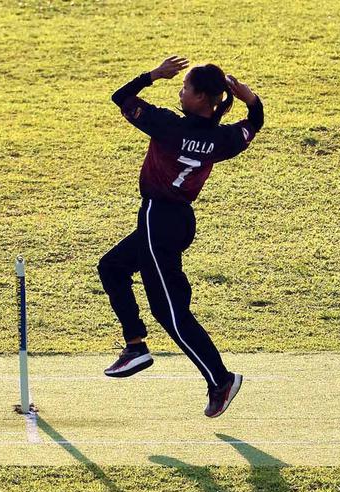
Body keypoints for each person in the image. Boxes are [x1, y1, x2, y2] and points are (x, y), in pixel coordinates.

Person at [98, 56, 264, 417]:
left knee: (170, 312)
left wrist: (152, 75)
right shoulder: (223, 140)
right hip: (178, 221)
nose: (180, 91)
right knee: (111, 267)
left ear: (203, 98)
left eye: (186, 87)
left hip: (159, 218)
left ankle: (220, 380)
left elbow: (120, 97)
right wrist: (250, 99)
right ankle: (135, 346)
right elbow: (254, 124)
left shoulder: (168, 127)